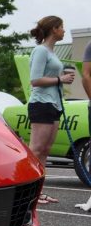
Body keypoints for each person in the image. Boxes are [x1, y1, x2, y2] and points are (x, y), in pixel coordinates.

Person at [27, 16, 75, 204]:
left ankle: (38, 192)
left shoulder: (52, 52)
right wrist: (60, 79)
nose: (64, 30)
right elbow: (35, 80)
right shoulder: (40, 50)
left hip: (54, 104)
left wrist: (60, 78)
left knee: (45, 150)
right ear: (54, 29)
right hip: (41, 103)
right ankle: (29, 193)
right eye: (61, 27)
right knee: (36, 149)